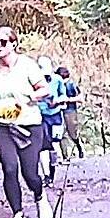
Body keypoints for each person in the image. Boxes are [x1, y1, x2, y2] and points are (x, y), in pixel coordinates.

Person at [0, 27, 50, 218]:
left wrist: (32, 96)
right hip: (1, 123)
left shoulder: (27, 65)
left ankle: (39, 195)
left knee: (30, 174)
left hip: (28, 123)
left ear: (14, 44)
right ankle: (18, 215)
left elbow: (45, 89)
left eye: (3, 42)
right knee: (9, 167)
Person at [35, 56, 67, 185]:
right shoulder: (34, 81)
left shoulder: (57, 80)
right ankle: (46, 175)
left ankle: (52, 172)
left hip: (55, 115)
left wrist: (57, 101)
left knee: (54, 145)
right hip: (41, 116)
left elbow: (63, 95)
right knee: (43, 146)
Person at [58, 64, 85, 158]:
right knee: (61, 133)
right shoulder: (56, 84)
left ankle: (79, 146)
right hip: (59, 110)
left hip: (70, 110)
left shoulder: (71, 84)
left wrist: (68, 99)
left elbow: (80, 98)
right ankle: (65, 155)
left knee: (72, 132)